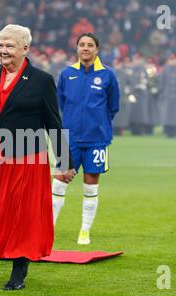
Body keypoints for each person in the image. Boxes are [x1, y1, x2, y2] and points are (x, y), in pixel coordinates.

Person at [0, 24, 76, 290]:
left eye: (10, 46)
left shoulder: (42, 80)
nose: (3, 50)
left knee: (22, 216)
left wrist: (65, 161)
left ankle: (18, 272)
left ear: (25, 49)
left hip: (27, 158)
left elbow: (53, 124)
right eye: (1, 45)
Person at [52, 33, 120, 245]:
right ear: (77, 48)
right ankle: (49, 230)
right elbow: (60, 104)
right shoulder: (66, 74)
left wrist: (98, 124)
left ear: (97, 50)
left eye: (90, 45)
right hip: (68, 138)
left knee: (90, 186)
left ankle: (84, 231)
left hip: (96, 141)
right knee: (58, 184)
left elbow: (113, 107)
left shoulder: (108, 75)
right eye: (82, 44)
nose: (86, 48)